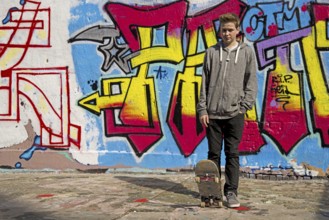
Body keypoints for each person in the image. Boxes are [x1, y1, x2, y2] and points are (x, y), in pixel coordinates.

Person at [196, 13, 257, 208]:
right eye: (224, 30)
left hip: (234, 114)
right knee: (213, 154)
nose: (227, 33)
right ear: (219, 32)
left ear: (237, 31)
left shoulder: (247, 52)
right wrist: (202, 109)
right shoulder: (211, 52)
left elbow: (251, 82)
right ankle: (212, 193)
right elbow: (204, 82)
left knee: (232, 154)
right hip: (212, 114)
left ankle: (231, 192)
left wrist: (243, 107)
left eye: (230, 29)